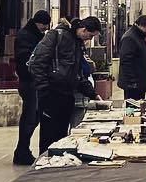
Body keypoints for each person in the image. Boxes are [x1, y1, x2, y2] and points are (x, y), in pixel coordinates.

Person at [28, 15, 101, 152]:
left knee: (62, 137)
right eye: (90, 36)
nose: (89, 40)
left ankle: (59, 167)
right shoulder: (56, 35)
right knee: (49, 137)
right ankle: (45, 168)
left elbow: (76, 73)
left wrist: (92, 93)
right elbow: (38, 64)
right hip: (51, 94)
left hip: (67, 96)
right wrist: (44, 91)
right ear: (83, 29)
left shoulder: (77, 42)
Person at [11, 10, 50, 165]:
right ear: (38, 23)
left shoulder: (34, 35)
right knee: (30, 118)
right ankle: (21, 152)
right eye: (44, 25)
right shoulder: (26, 36)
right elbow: (26, 60)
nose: (45, 28)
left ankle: (22, 151)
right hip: (29, 83)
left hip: (32, 82)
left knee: (33, 118)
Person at [117, 14, 146, 102]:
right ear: (141, 25)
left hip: (138, 83)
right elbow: (126, 61)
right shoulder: (130, 38)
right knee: (133, 109)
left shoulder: (138, 37)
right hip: (133, 85)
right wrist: (132, 82)